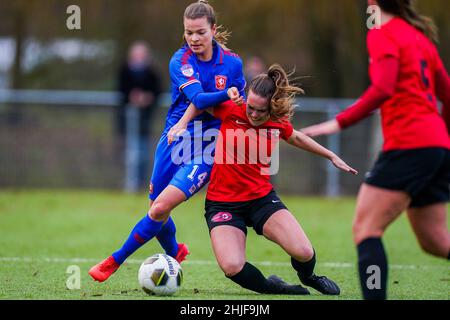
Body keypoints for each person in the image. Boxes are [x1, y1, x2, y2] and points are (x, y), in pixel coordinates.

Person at [302, 0, 450, 300]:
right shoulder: (419, 37)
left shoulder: (382, 32)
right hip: (435, 146)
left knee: (366, 228)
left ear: (373, 4)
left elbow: (383, 88)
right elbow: (447, 94)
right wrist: (440, 139)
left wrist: (340, 123)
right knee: (435, 242)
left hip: (410, 144)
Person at [89, 0, 246, 282]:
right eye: (188, 32)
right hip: (175, 138)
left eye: (200, 32)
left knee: (161, 207)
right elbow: (198, 99)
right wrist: (228, 94)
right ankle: (175, 251)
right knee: (155, 207)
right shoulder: (181, 61)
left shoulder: (233, 63)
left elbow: (237, 107)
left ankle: (114, 261)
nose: (194, 39)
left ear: (213, 29)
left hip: (209, 146)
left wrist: (236, 101)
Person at [168, 64, 358, 295]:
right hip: (222, 202)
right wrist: (181, 123)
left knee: (304, 252)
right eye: (251, 107)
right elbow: (198, 102)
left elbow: (296, 137)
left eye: (261, 110)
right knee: (231, 266)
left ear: (272, 107)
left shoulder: (277, 121)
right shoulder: (231, 109)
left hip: (261, 200)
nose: (254, 114)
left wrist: (331, 156)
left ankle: (309, 277)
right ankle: (276, 287)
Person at [116, 41, 162, 189]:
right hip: (127, 120)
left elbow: (157, 91)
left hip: (145, 121)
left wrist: (148, 98)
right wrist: (131, 97)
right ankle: (130, 183)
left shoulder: (152, 72)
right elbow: (121, 90)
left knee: (143, 153)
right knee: (130, 153)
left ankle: (142, 182)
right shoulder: (124, 70)